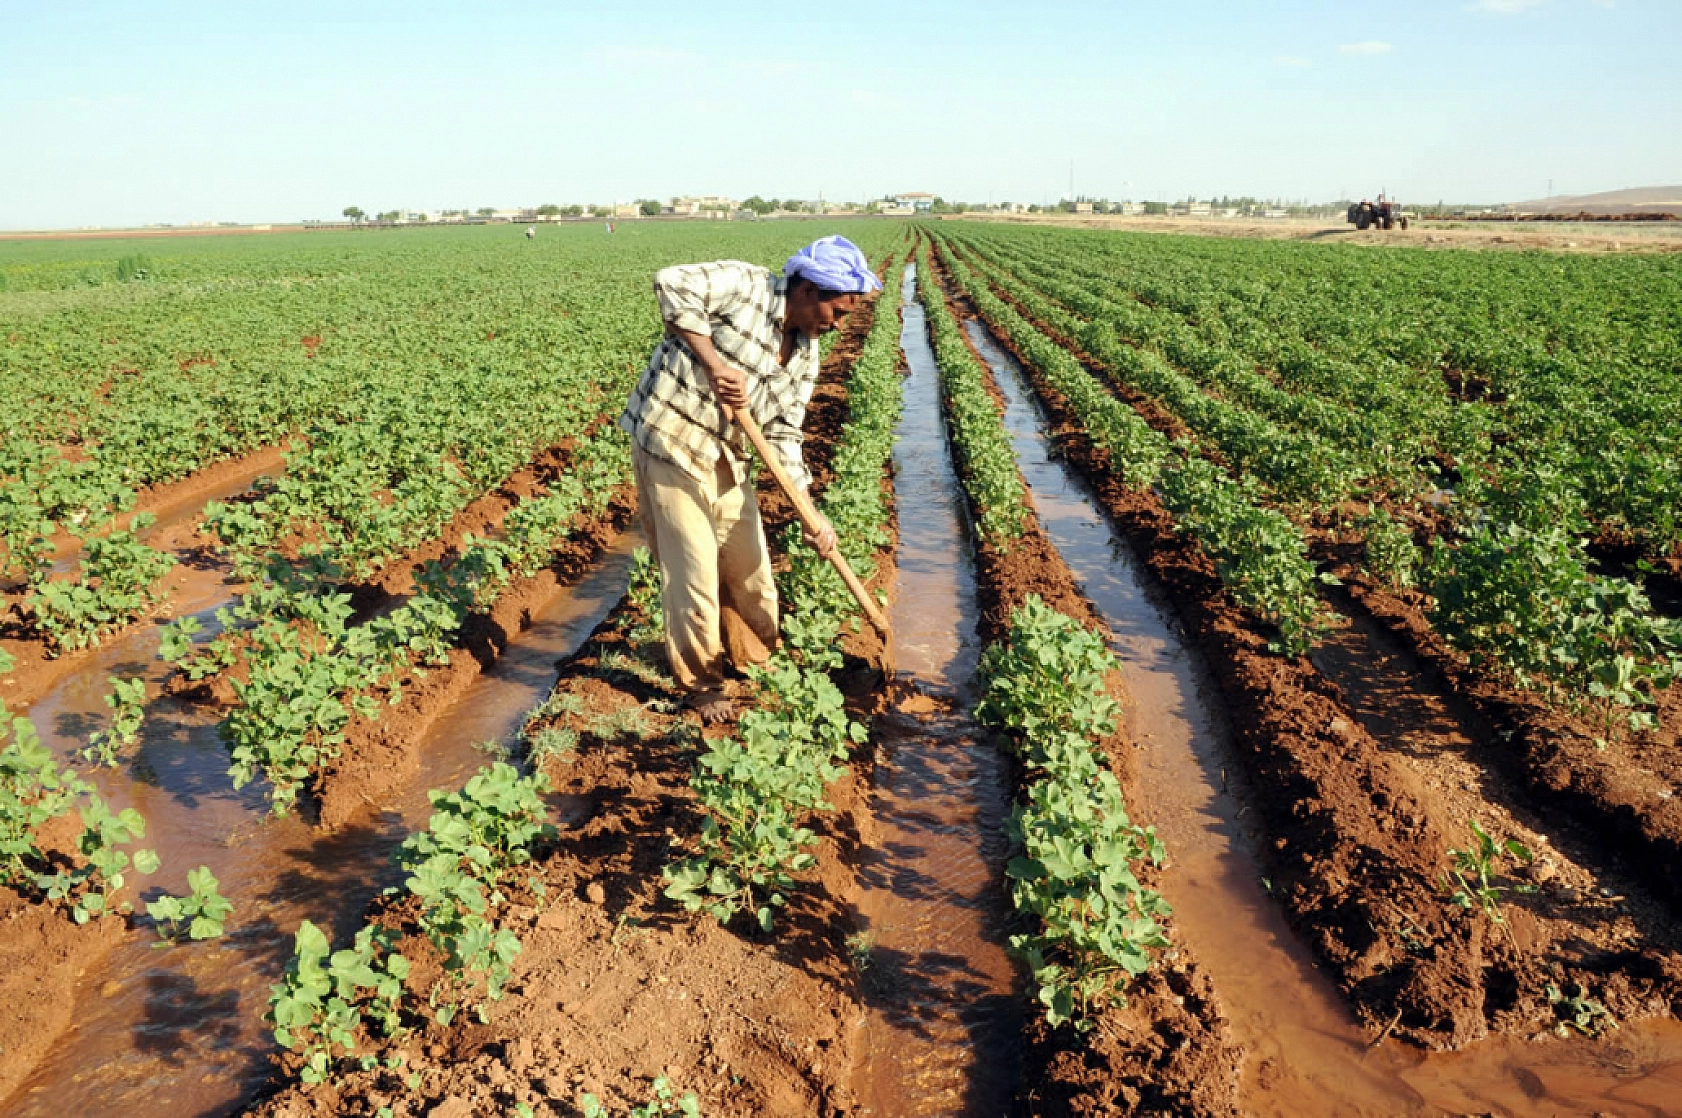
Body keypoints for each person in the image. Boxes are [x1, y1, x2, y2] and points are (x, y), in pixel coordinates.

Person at [619, 235, 881, 723]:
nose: (841, 324)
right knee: (694, 570)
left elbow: (783, 431)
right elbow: (671, 282)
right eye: (839, 312)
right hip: (672, 440)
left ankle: (755, 660)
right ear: (808, 291)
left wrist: (809, 510)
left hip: (728, 451)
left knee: (751, 569)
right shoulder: (747, 286)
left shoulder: (805, 354)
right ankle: (702, 684)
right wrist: (715, 364)